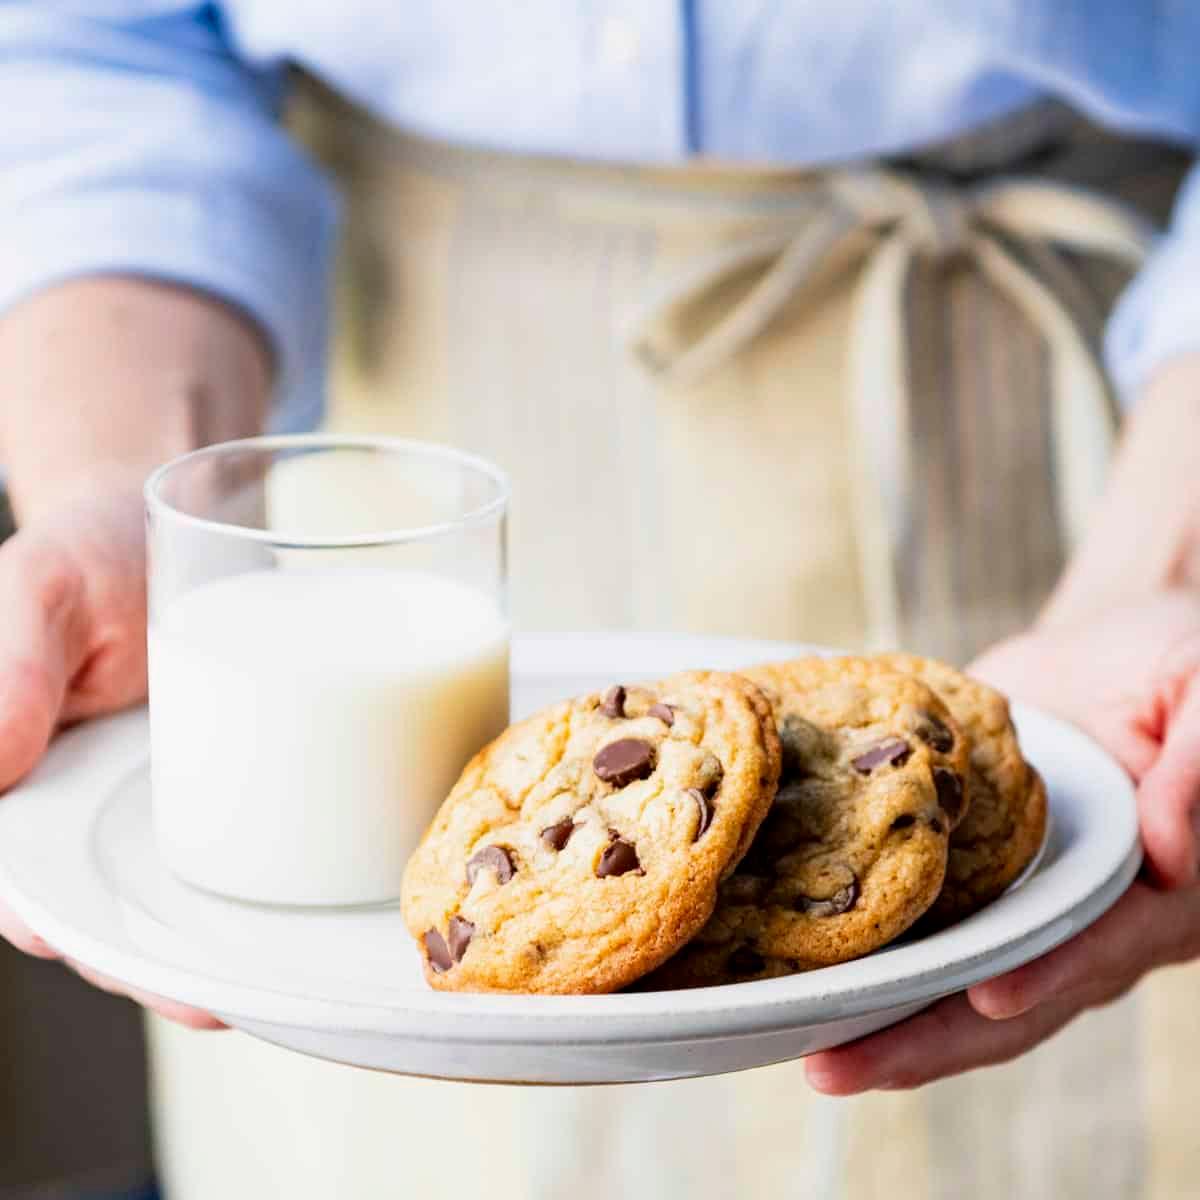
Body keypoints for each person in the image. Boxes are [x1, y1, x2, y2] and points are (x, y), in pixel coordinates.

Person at [1, 3, 1200, 1197]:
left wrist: (1164, 574)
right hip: (391, 483)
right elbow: (91, 49)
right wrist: (136, 504)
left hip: (1097, 470)